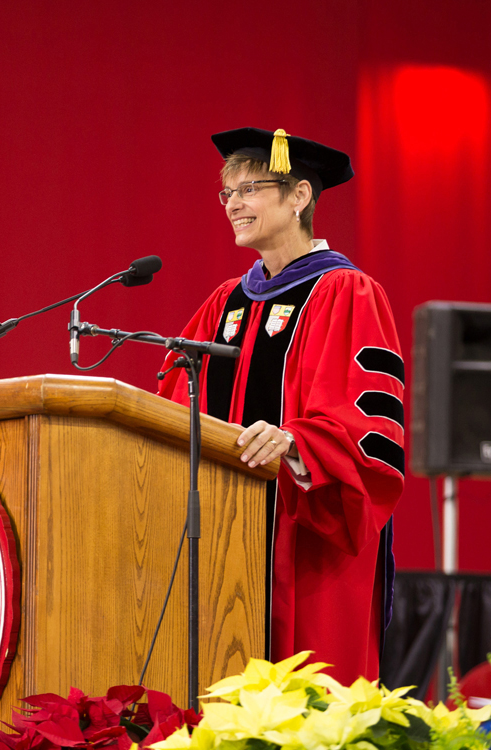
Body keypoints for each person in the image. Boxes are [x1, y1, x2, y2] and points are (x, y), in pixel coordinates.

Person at [158, 127, 404, 683]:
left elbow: (367, 424)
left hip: (306, 535)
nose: (234, 203)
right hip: (221, 538)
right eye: (228, 193)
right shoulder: (226, 302)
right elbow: (172, 406)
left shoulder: (347, 291)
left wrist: (297, 442)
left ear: (300, 198)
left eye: (251, 189)